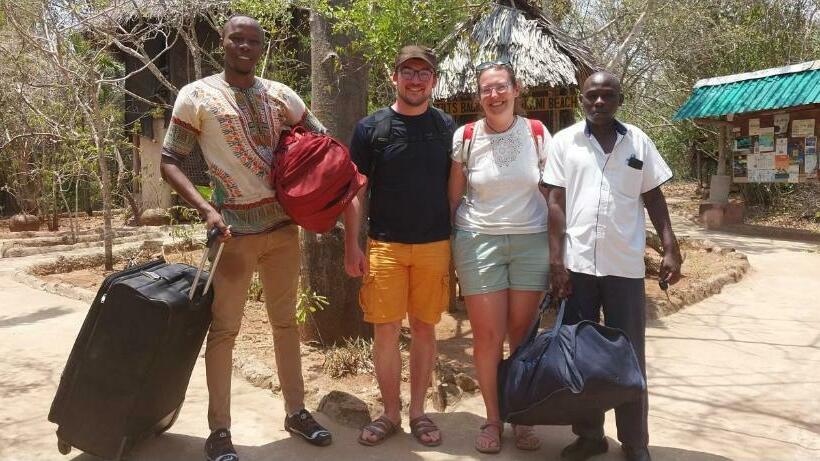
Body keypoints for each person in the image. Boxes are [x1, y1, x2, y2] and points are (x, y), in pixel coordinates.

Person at [160, 15, 345, 461]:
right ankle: (219, 430)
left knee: (285, 325)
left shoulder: (281, 95)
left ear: (261, 48)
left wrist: (316, 199)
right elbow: (169, 160)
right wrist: (206, 208)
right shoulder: (197, 96)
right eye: (236, 39)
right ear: (222, 43)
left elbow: (322, 144)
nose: (244, 46)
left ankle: (296, 412)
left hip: (283, 229)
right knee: (225, 331)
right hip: (232, 233)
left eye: (253, 41)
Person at [542, 71, 682, 461]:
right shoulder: (563, 142)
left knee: (629, 356)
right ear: (581, 99)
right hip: (578, 267)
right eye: (591, 96)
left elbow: (654, 196)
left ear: (620, 98)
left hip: (624, 266)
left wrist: (670, 246)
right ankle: (589, 436)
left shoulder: (638, 141)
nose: (598, 103)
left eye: (607, 96)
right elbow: (555, 204)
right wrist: (557, 262)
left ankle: (635, 442)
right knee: (581, 356)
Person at [344, 45, 455, 447]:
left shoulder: (446, 128)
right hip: (385, 245)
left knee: (425, 328)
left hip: (434, 245)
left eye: (423, 72)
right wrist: (351, 245)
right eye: (407, 71)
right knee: (386, 330)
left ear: (433, 81)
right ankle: (390, 413)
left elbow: (454, 187)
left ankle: (418, 413)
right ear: (394, 78)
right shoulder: (370, 128)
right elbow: (356, 191)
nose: (414, 79)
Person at [447, 61, 551, 454]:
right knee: (487, 337)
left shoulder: (538, 134)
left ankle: (522, 416)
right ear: (479, 96)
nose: (494, 95)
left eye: (501, 87)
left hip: (532, 241)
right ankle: (493, 419)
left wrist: (560, 247)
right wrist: (452, 248)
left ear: (516, 88)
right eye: (486, 89)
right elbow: (454, 197)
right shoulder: (466, 136)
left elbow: (550, 192)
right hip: (478, 241)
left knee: (522, 338)